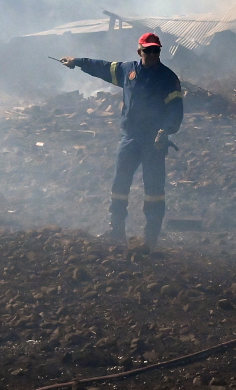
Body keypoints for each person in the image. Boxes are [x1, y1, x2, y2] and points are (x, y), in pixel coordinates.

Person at [60, 32, 184, 248]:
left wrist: (166, 130)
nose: (153, 54)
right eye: (148, 50)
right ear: (140, 52)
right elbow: (101, 66)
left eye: (156, 50)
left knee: (154, 191)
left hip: (154, 141)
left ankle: (150, 238)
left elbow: (176, 110)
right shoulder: (127, 71)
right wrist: (77, 62)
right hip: (130, 138)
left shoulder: (168, 78)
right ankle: (116, 230)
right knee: (120, 184)